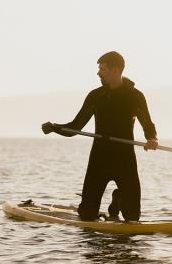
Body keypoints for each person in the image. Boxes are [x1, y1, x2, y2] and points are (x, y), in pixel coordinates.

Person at [42, 51, 158, 222]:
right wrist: (55, 127)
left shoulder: (135, 96)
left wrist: (152, 138)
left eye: (102, 69)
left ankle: (117, 201)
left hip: (124, 158)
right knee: (86, 215)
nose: (98, 73)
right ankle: (106, 208)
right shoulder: (96, 96)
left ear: (116, 69)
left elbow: (147, 123)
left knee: (132, 217)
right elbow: (76, 127)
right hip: (99, 158)